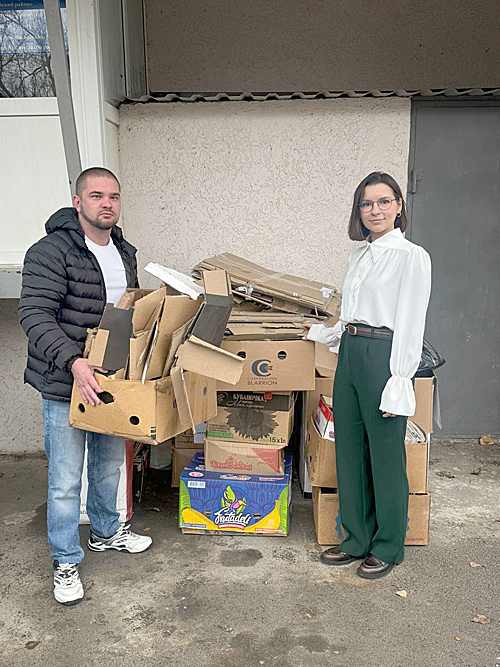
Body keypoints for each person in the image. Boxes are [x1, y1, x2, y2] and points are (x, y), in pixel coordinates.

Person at [19, 167, 152, 606]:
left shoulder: (124, 250)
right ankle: (65, 559)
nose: (106, 204)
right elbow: (34, 314)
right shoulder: (51, 251)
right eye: (96, 196)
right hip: (66, 380)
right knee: (64, 479)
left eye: (114, 196)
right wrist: (74, 362)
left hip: (111, 378)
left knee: (109, 464)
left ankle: (106, 532)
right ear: (78, 202)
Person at [305, 171, 431, 579]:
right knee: (349, 448)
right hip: (351, 351)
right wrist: (323, 333)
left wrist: (400, 379)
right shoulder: (358, 257)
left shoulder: (411, 256)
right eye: (366, 203)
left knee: (385, 453)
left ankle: (389, 544)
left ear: (398, 206)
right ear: (358, 211)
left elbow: (411, 321)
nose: (374, 210)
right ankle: (355, 539)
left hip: (383, 354)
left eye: (383, 201)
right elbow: (351, 315)